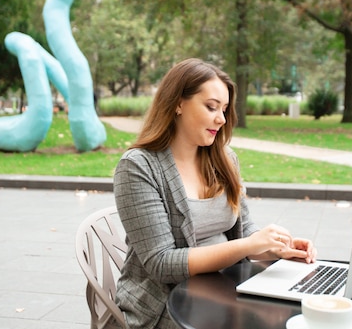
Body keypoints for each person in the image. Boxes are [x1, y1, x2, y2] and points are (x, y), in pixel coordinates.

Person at [113, 58, 316, 329]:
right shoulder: (138, 166)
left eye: (224, 109)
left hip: (225, 287)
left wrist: (277, 248)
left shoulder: (224, 159)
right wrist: (248, 246)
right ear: (178, 103)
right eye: (211, 107)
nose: (221, 119)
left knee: (295, 314)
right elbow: (161, 263)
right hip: (167, 304)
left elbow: (243, 231)